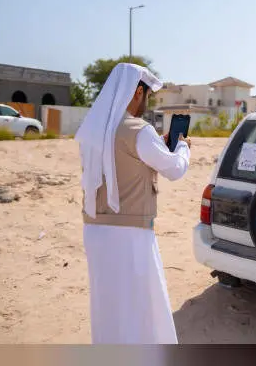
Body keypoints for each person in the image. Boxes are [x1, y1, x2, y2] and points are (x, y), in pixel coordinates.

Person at [74, 63, 191, 344]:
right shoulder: (138, 130)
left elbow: (124, 158)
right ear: (138, 91)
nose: (146, 102)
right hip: (130, 234)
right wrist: (183, 147)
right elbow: (174, 169)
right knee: (143, 309)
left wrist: (159, 144)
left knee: (110, 308)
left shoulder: (94, 129)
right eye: (148, 95)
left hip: (95, 232)